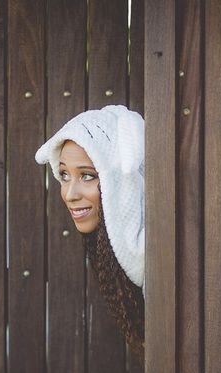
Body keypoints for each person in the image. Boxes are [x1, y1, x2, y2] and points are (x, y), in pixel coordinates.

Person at [35, 105, 145, 357]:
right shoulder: (121, 264)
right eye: (64, 175)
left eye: (87, 176)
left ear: (121, 181)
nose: (70, 194)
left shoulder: (165, 260)